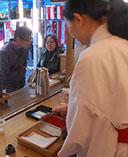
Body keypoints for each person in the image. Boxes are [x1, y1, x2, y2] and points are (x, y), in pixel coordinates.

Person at [52, 0, 128, 156]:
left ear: (79, 20)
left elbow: (80, 129)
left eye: (68, 26)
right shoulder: (122, 44)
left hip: (113, 148)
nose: (70, 32)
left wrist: (75, 111)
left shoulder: (91, 56)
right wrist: (72, 107)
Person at [0, 26, 32, 93]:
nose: (30, 42)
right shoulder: (5, 51)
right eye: (27, 40)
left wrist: (22, 71)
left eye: (30, 39)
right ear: (18, 39)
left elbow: (24, 66)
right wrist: (21, 71)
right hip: (8, 88)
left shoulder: (24, 49)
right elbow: (6, 74)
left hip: (21, 84)